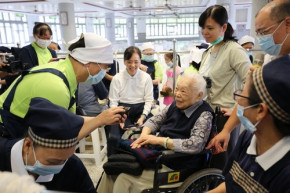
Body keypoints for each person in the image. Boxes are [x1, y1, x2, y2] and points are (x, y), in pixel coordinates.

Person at [98, 73, 214, 193]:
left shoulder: (204, 115)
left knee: (124, 178)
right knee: (111, 170)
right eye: (177, 89)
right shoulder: (174, 105)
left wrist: (158, 140)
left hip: (177, 165)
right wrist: (144, 136)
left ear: (199, 95)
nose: (177, 94)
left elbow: (195, 145)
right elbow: (154, 120)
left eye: (183, 91)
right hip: (158, 156)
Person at [0, 32, 125, 139]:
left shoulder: (64, 73)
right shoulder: (56, 86)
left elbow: (70, 120)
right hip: (7, 134)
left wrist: (104, 118)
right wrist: (98, 121)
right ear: (89, 63)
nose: (104, 73)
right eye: (104, 68)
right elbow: (61, 142)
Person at [207, 1, 290, 155]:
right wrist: (226, 130)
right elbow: (248, 96)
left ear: (287, 24)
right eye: (258, 33)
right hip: (263, 138)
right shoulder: (270, 59)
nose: (260, 39)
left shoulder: (234, 51)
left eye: (264, 31)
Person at [208, 55, 290, 193]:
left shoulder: (285, 176)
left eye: (241, 96)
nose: (238, 103)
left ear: (260, 110)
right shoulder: (248, 138)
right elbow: (231, 184)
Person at [0, 97, 102, 192]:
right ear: (27, 145)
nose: (59, 167)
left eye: (64, 159)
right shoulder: (3, 157)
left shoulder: (72, 165)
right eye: (53, 161)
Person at [198, 5, 252, 167]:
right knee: (207, 166)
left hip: (224, 119)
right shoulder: (208, 52)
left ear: (224, 27)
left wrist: (237, 108)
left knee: (221, 167)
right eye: (202, 28)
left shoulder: (234, 51)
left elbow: (251, 83)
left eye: (210, 28)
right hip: (207, 116)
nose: (204, 32)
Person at [108, 46, 153, 150]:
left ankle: (145, 158)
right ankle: (116, 162)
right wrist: (119, 117)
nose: (133, 65)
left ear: (140, 61)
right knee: (113, 138)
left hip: (142, 110)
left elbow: (149, 100)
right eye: (129, 62)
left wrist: (143, 116)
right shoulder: (117, 78)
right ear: (124, 62)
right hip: (122, 111)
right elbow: (113, 102)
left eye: (136, 62)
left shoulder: (146, 77)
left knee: (151, 133)